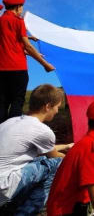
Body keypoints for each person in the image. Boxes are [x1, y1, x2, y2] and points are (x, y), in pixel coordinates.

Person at [0, 84, 72, 215]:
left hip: (3, 180)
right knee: (59, 164)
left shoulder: (10, 122)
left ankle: (12, 205)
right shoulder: (42, 130)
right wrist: (76, 158)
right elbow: (55, 156)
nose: (57, 111)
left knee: (41, 159)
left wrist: (66, 146)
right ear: (48, 106)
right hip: (3, 186)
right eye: (57, 107)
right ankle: (27, 211)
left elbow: (46, 150)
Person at [0, 0, 55, 124]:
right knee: (17, 101)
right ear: (18, 7)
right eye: (21, 7)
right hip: (17, 68)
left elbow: (10, 44)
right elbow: (27, 47)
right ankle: (12, 132)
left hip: (1, 70)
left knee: (2, 102)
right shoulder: (18, 21)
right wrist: (45, 64)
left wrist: (30, 41)